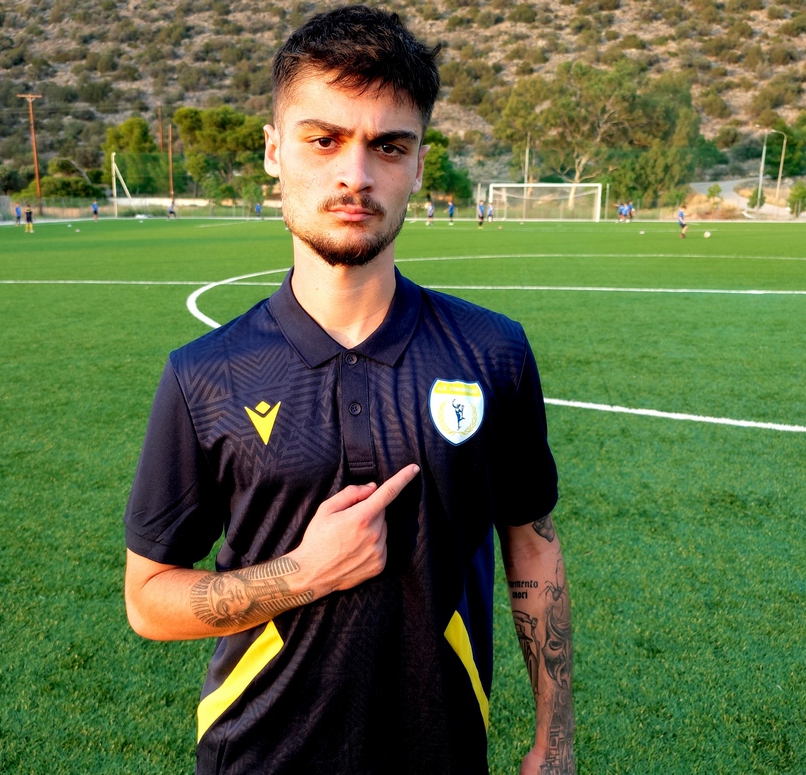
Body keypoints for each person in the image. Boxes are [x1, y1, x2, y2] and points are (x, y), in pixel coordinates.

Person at [123, 6, 575, 775]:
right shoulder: (206, 372)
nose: (356, 175)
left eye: (388, 146)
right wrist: (302, 572)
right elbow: (148, 599)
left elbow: (531, 544)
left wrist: (555, 741)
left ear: (419, 164)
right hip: (256, 757)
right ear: (274, 150)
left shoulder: (492, 351)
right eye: (324, 139)